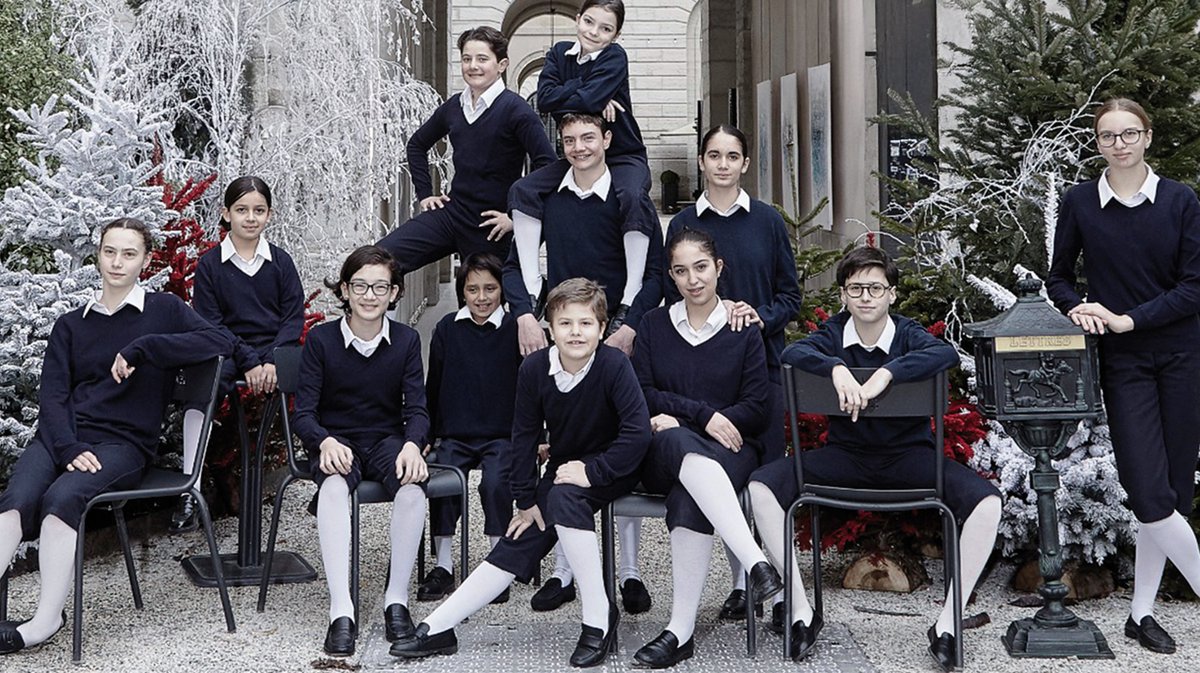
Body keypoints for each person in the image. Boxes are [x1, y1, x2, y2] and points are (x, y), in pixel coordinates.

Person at [747, 246, 1001, 669]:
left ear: (892, 294)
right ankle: (800, 609)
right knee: (760, 486)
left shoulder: (907, 334)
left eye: (876, 288)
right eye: (856, 288)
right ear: (843, 295)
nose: (866, 297)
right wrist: (836, 368)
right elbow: (792, 353)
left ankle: (948, 623)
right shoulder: (833, 333)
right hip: (845, 458)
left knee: (988, 503)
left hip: (910, 460)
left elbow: (943, 354)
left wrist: (887, 373)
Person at [390, 278, 651, 668]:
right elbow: (524, 437)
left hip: (616, 464)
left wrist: (594, 471)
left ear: (601, 328)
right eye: (565, 323)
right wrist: (527, 501)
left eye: (585, 323)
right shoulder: (535, 368)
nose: (575, 332)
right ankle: (440, 625)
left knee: (563, 497)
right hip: (565, 468)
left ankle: (598, 616)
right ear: (550, 329)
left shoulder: (614, 365)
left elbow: (637, 433)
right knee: (521, 535)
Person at [0, 218, 231, 655]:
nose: (117, 262)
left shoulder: (164, 311)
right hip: (62, 438)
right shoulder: (71, 324)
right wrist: (67, 447)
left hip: (123, 443)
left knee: (63, 500)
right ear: (98, 255)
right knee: (15, 502)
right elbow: (53, 396)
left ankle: (45, 622)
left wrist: (146, 347)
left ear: (145, 260)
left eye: (129, 253)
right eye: (109, 252)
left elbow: (220, 341)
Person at [1046, 97, 1200, 656]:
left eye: (1130, 133)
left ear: (1148, 137)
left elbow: (1194, 286)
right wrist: (1078, 309)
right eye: (1108, 135)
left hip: (1182, 357)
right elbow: (1059, 278)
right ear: (1098, 143)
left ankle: (1140, 614)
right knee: (1147, 491)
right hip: (1125, 363)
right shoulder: (1081, 202)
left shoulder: (1181, 200)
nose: (1120, 144)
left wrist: (1129, 318)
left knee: (1174, 494)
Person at [660, 123, 803, 623]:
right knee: (715, 473)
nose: (723, 164)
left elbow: (790, 295)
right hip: (702, 375)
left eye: (732, 156)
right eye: (714, 155)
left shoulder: (767, 221)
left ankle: (783, 592)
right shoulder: (683, 224)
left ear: (745, 163)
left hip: (760, 370)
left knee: (762, 483)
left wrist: (759, 316)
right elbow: (671, 294)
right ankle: (744, 583)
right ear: (702, 161)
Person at [628, 228, 783, 667]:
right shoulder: (654, 325)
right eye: (681, 271)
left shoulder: (743, 328)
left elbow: (755, 406)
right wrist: (704, 417)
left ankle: (679, 631)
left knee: (688, 497)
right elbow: (643, 394)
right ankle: (756, 562)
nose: (693, 279)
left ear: (718, 267)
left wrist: (692, 418)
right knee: (677, 438)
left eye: (700, 268)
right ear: (671, 276)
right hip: (664, 450)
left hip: (731, 450)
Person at [292, 246, 430, 657]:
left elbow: (417, 409)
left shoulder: (406, 340)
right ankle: (342, 610)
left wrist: (412, 445)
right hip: (337, 440)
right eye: (360, 286)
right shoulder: (321, 340)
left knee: (413, 488)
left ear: (394, 293)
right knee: (334, 488)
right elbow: (303, 414)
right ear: (345, 291)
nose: (370, 296)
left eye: (380, 287)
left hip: (387, 440)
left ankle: (396, 601)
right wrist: (323, 441)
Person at [509, 0, 658, 340]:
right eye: (589, 22)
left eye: (605, 28)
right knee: (522, 189)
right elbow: (544, 100)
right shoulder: (559, 53)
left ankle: (631, 294)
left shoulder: (615, 57)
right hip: (579, 152)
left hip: (623, 154)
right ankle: (533, 285)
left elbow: (565, 99)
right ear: (577, 19)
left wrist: (575, 93)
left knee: (632, 196)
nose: (594, 32)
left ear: (615, 34)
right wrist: (590, 92)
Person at [172, 176, 305, 533]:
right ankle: (189, 487)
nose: (250, 217)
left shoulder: (281, 262)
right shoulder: (210, 265)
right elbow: (211, 324)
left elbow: (293, 318)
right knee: (202, 383)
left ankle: (322, 467)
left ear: (269, 215)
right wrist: (249, 360)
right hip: (227, 347)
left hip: (274, 348)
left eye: (258, 210)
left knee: (316, 375)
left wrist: (272, 359)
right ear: (226, 213)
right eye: (242, 210)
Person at [377, 26, 556, 274]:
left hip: (491, 227)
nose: (473, 66)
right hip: (452, 214)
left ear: (502, 65)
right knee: (378, 259)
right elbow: (417, 145)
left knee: (480, 297)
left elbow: (549, 166)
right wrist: (426, 194)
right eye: (466, 59)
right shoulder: (454, 106)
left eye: (482, 59)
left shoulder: (517, 110)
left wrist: (516, 217)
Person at [504, 112, 662, 358]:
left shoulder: (633, 201)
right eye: (569, 140)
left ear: (606, 139)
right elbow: (513, 267)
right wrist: (524, 316)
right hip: (562, 335)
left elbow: (656, 274)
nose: (578, 148)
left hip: (616, 335)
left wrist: (629, 327)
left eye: (588, 138)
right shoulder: (547, 199)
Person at [417, 252, 521, 603]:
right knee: (444, 481)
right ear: (462, 291)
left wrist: (535, 437)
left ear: (502, 290)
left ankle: (497, 563)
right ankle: (443, 565)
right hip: (456, 434)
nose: (481, 297)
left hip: (501, 435)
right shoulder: (447, 328)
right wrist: (427, 435)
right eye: (472, 289)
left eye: (490, 288)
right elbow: (434, 385)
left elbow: (531, 392)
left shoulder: (515, 329)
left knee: (495, 482)